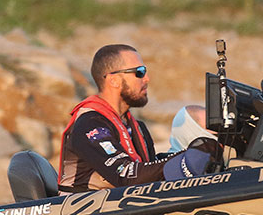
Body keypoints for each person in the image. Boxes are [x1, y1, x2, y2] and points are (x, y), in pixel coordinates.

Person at [57, 44, 221, 193]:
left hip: (122, 207)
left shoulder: (137, 127)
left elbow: (147, 168)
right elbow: (126, 176)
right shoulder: (90, 125)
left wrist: (197, 153)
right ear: (114, 80)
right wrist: (184, 159)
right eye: (139, 72)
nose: (147, 79)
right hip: (85, 212)